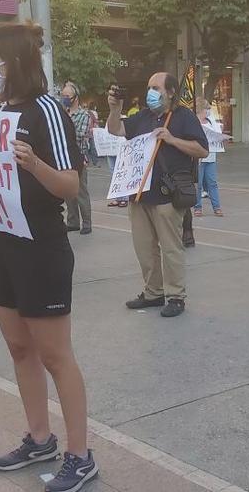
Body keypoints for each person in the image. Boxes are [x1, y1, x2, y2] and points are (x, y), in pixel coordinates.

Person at [0, 22, 98, 492]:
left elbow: (69, 185)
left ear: (13, 61)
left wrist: (32, 162)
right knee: (19, 347)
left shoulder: (47, 110)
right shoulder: (0, 109)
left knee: (55, 355)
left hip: (40, 245)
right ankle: (40, 438)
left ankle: (80, 456)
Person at [106, 72, 209, 318]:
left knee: (170, 248)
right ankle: (153, 292)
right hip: (140, 195)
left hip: (166, 195)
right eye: (149, 87)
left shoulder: (184, 117)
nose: (150, 92)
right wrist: (114, 108)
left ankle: (175, 296)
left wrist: (172, 139)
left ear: (171, 92)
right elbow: (115, 129)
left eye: (156, 87)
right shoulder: (143, 116)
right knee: (144, 248)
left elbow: (202, 149)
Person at [61, 81, 92, 235]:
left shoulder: (84, 115)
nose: (64, 99)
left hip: (79, 157)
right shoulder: (62, 113)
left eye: (67, 96)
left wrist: (66, 123)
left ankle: (87, 222)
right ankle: (72, 221)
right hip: (65, 157)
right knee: (68, 191)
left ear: (75, 98)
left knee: (81, 192)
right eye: (63, 96)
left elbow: (80, 135)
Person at [193, 97, 223, 217]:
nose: (208, 112)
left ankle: (217, 207)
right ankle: (197, 207)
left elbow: (217, 135)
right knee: (198, 183)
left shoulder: (211, 122)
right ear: (201, 110)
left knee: (212, 182)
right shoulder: (194, 122)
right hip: (199, 158)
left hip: (211, 156)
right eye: (206, 110)